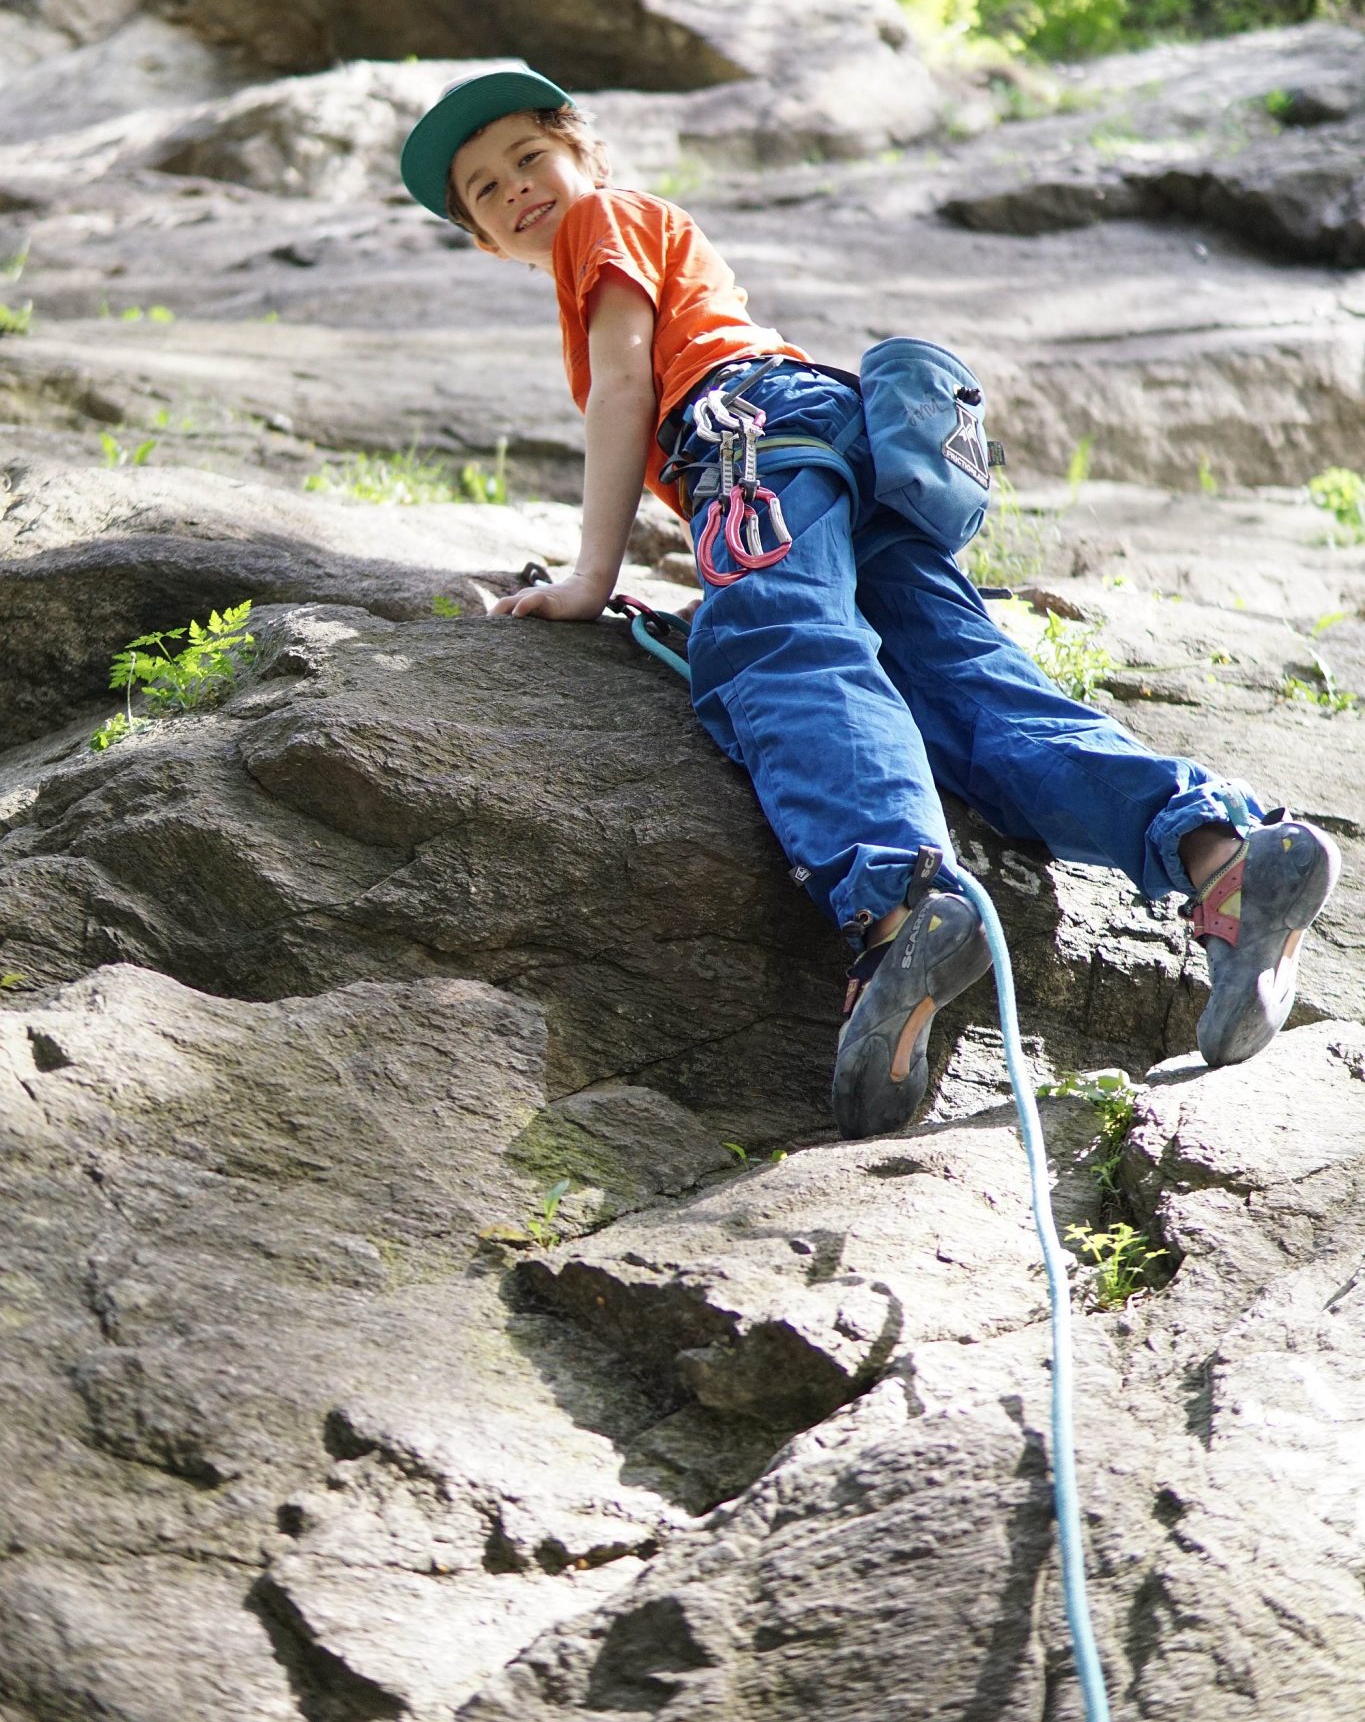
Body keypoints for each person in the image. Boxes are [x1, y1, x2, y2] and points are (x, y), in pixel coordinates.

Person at [400, 67, 1341, 1139]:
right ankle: (1222, 859)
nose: (516, 189)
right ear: (482, 238)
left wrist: (589, 580)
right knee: (961, 689)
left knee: (778, 647)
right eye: (484, 190)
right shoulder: (634, 235)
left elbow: (625, 388)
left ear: (587, 159)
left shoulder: (600, 227)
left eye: (530, 158)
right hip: (834, 432)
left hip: (748, 433)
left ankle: (900, 911)